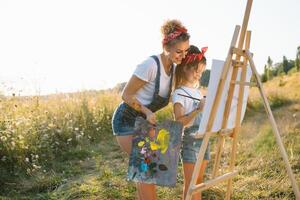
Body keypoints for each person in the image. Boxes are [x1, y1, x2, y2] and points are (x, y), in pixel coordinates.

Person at [111, 19, 190, 200]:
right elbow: (126, 95)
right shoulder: (150, 65)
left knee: (145, 169)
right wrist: (147, 112)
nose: (182, 56)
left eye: (185, 51)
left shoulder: (172, 69)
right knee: (146, 168)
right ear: (166, 47)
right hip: (126, 121)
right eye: (179, 51)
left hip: (144, 123)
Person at [172, 45, 210, 200]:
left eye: (201, 72)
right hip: (190, 141)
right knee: (191, 183)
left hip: (203, 138)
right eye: (196, 71)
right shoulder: (179, 93)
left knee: (199, 182)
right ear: (185, 67)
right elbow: (179, 122)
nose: (198, 75)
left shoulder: (198, 92)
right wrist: (197, 110)